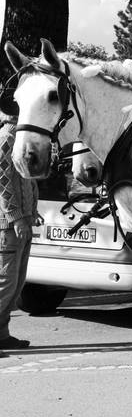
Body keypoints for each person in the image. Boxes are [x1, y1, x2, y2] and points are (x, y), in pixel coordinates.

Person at [0, 114, 39, 352]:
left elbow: (27, 180)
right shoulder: (7, 136)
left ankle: (2, 335)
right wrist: (16, 216)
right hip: (8, 226)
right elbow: (2, 180)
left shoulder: (21, 135)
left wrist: (32, 211)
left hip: (21, 223)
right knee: (5, 284)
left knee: (15, 285)